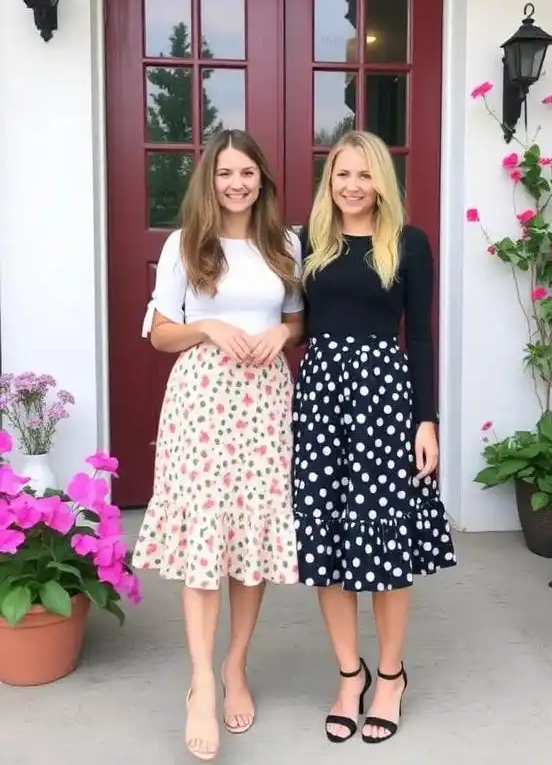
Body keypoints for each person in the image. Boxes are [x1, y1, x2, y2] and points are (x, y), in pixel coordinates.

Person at [131, 129, 304, 760]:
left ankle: (236, 665)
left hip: (264, 402)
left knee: (249, 534)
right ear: (211, 179)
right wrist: (204, 325)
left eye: (248, 174)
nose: (236, 183)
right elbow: (159, 333)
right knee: (206, 529)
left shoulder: (284, 243)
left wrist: (282, 336)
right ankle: (201, 681)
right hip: (202, 401)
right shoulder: (185, 244)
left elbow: (296, 315)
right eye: (226, 173)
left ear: (263, 180)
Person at [291, 130, 456, 745]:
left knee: (386, 543)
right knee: (327, 539)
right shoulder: (307, 242)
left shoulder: (409, 244)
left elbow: (421, 337)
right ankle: (348, 674)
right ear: (328, 182)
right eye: (341, 175)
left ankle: (390, 675)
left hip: (386, 400)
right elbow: (287, 320)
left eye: (364, 175)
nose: (353, 186)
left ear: (381, 180)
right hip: (322, 401)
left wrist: (427, 418)